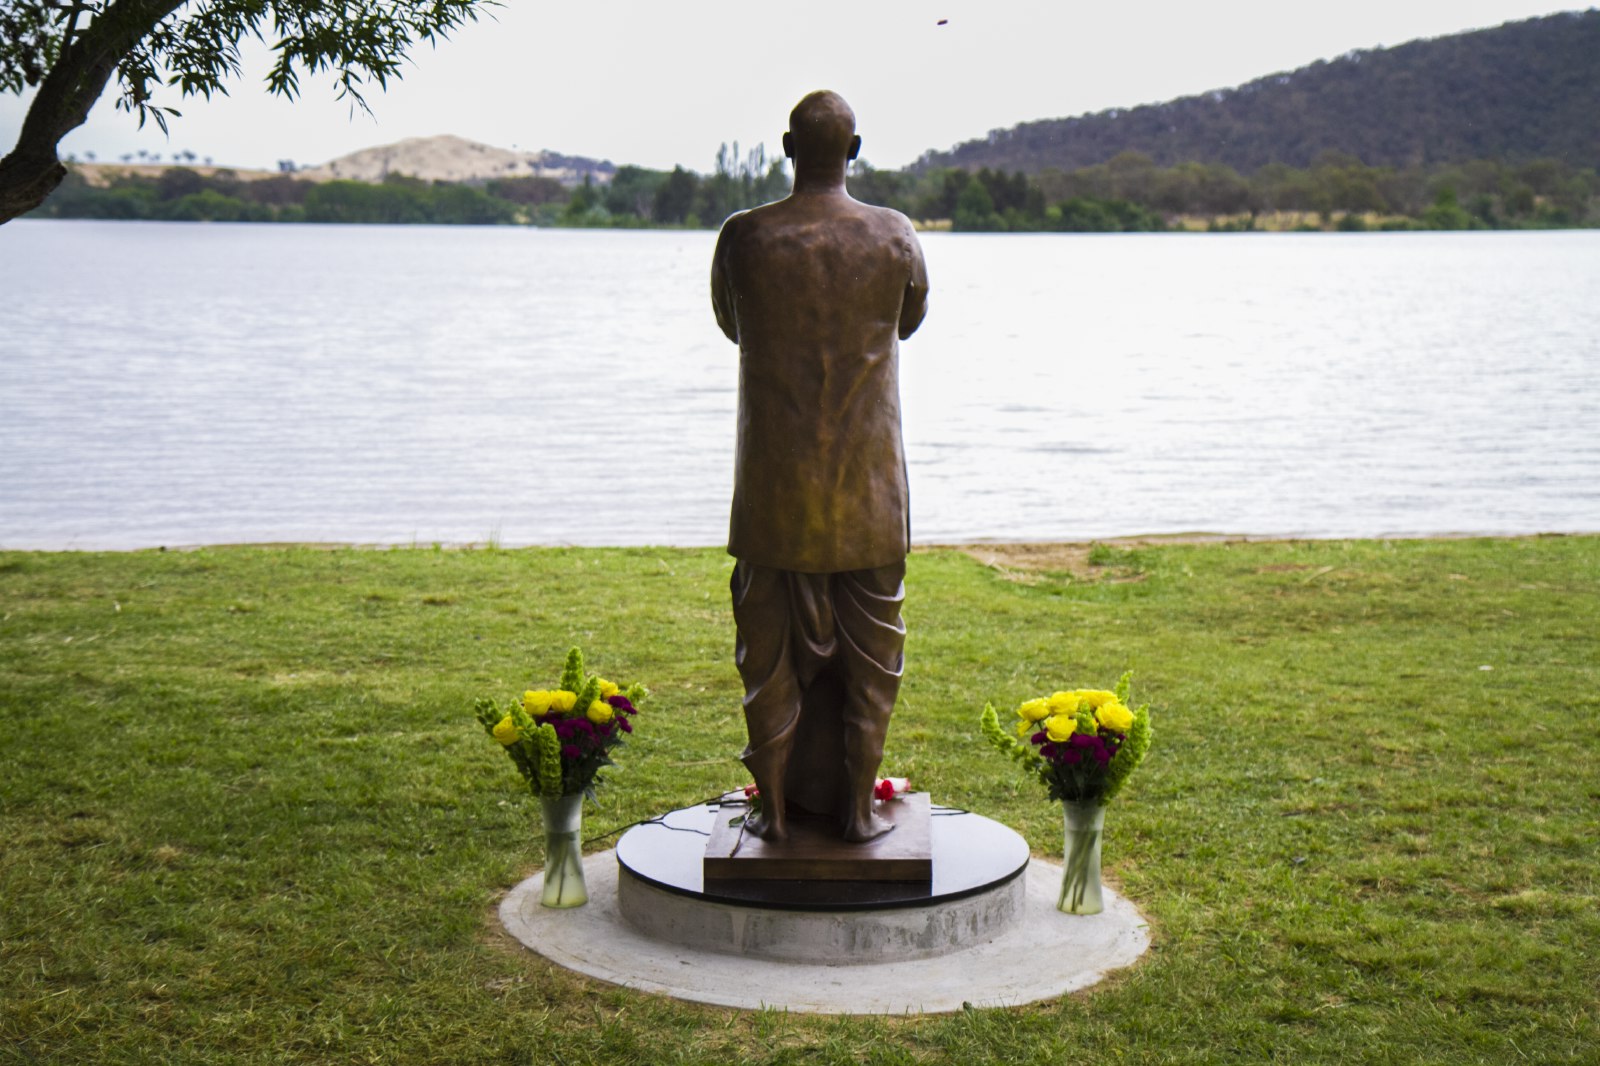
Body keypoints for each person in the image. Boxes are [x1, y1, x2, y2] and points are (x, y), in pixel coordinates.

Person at [710, 90, 929, 843]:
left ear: (785, 147)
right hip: (868, 499)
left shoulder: (745, 237)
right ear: (856, 148)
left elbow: (733, 324)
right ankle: (857, 809)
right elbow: (908, 320)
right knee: (874, 668)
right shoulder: (895, 236)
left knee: (765, 663)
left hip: (775, 496)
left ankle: (771, 809)